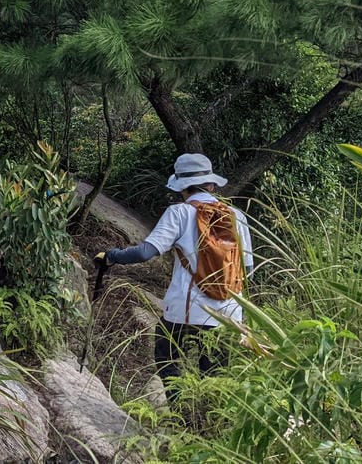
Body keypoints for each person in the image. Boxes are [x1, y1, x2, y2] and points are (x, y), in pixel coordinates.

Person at [96, 153, 254, 390]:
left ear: (182, 187)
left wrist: (112, 256)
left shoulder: (179, 213)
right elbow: (248, 270)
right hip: (229, 314)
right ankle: (205, 423)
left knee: (167, 357)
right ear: (211, 185)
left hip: (186, 311)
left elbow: (144, 253)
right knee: (215, 376)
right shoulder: (237, 216)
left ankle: (180, 414)